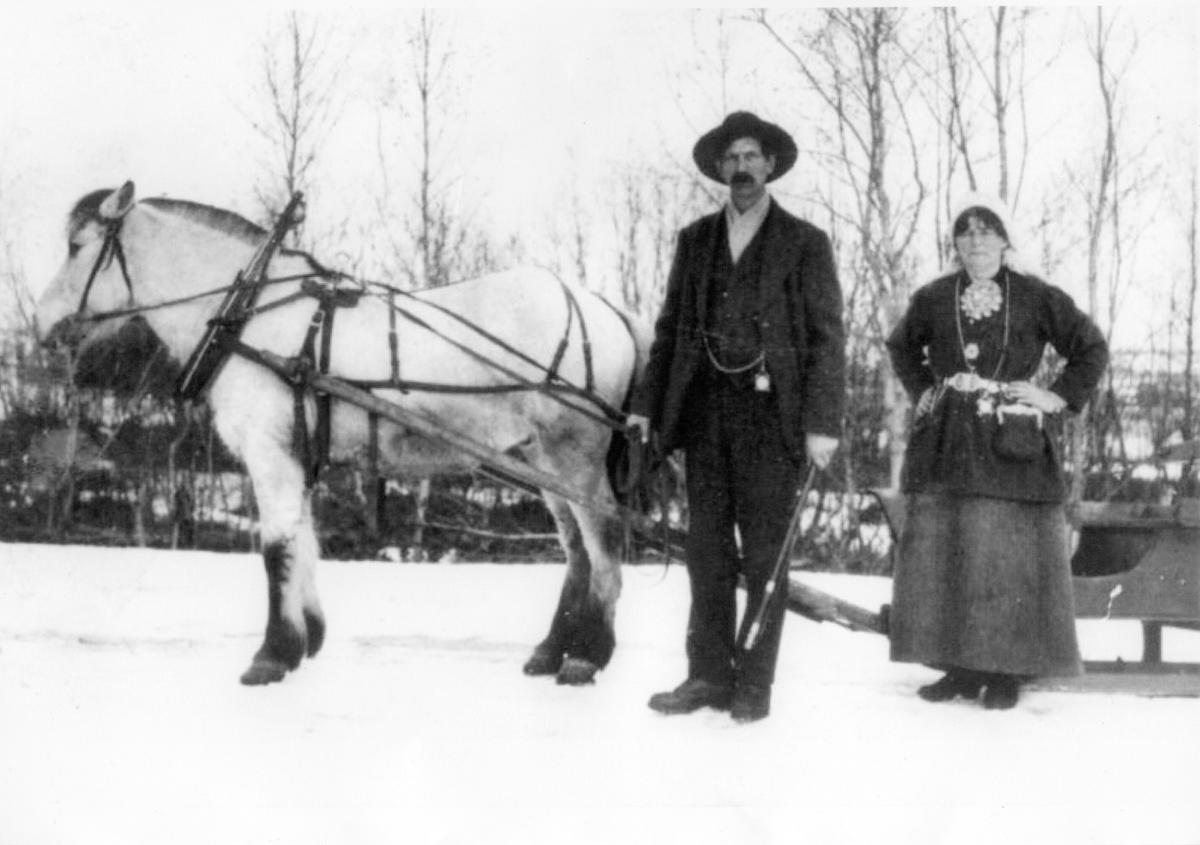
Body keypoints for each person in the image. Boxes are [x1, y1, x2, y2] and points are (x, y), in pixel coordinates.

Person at [627, 111, 846, 723]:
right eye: (732, 159)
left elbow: (829, 340)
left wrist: (822, 423)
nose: (742, 168)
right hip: (704, 415)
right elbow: (669, 330)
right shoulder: (694, 240)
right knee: (707, 552)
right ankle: (706, 676)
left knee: (765, 555)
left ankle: (753, 684)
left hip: (772, 420)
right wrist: (647, 406)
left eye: (752, 156)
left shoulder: (805, 243)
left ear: (770, 165)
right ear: (719, 169)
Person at [885, 191, 1108, 710]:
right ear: (956, 242)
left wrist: (1055, 396)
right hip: (947, 441)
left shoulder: (1034, 295)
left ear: (1007, 239)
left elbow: (1091, 347)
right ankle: (957, 667)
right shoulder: (935, 296)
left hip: (1012, 440)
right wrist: (925, 392)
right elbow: (901, 345)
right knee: (951, 550)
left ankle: (1006, 671)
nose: (977, 239)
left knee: (1006, 558)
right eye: (967, 230)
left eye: (988, 229)